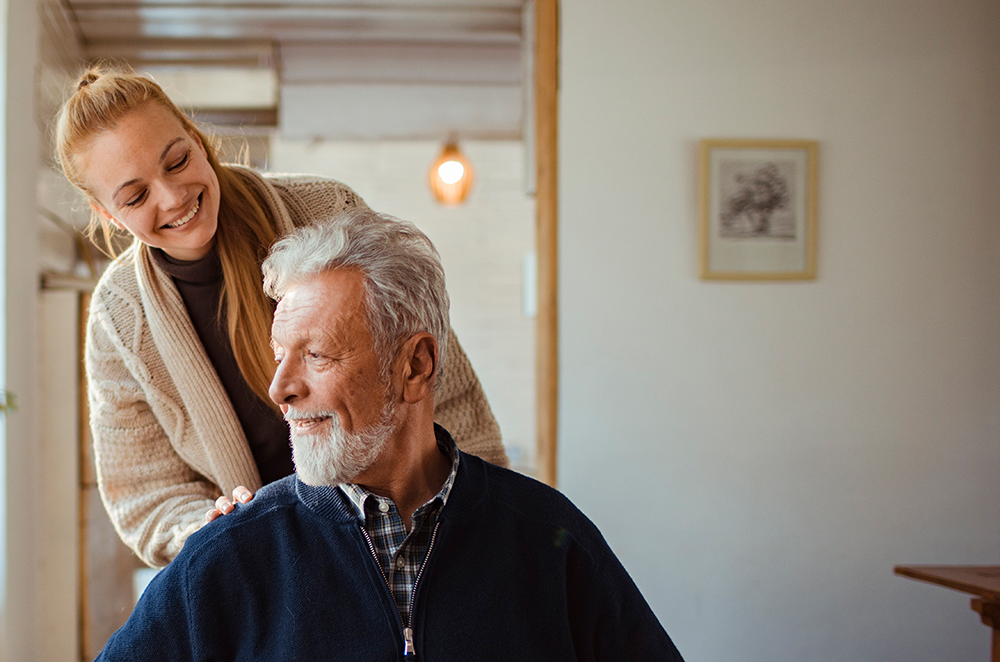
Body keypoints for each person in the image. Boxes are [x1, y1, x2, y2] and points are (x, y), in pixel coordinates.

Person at [96, 211, 683, 661]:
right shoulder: (226, 560)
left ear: (416, 366)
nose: (279, 389)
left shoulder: (551, 540)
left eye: (317, 355)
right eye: (279, 356)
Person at [56, 65, 509, 567]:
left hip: (404, 531)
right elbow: (146, 494)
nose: (172, 196)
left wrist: (482, 517)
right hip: (268, 567)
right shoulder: (117, 318)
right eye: (136, 196)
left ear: (198, 140)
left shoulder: (326, 209)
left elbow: (436, 381)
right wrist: (204, 526)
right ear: (108, 215)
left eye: (178, 160)